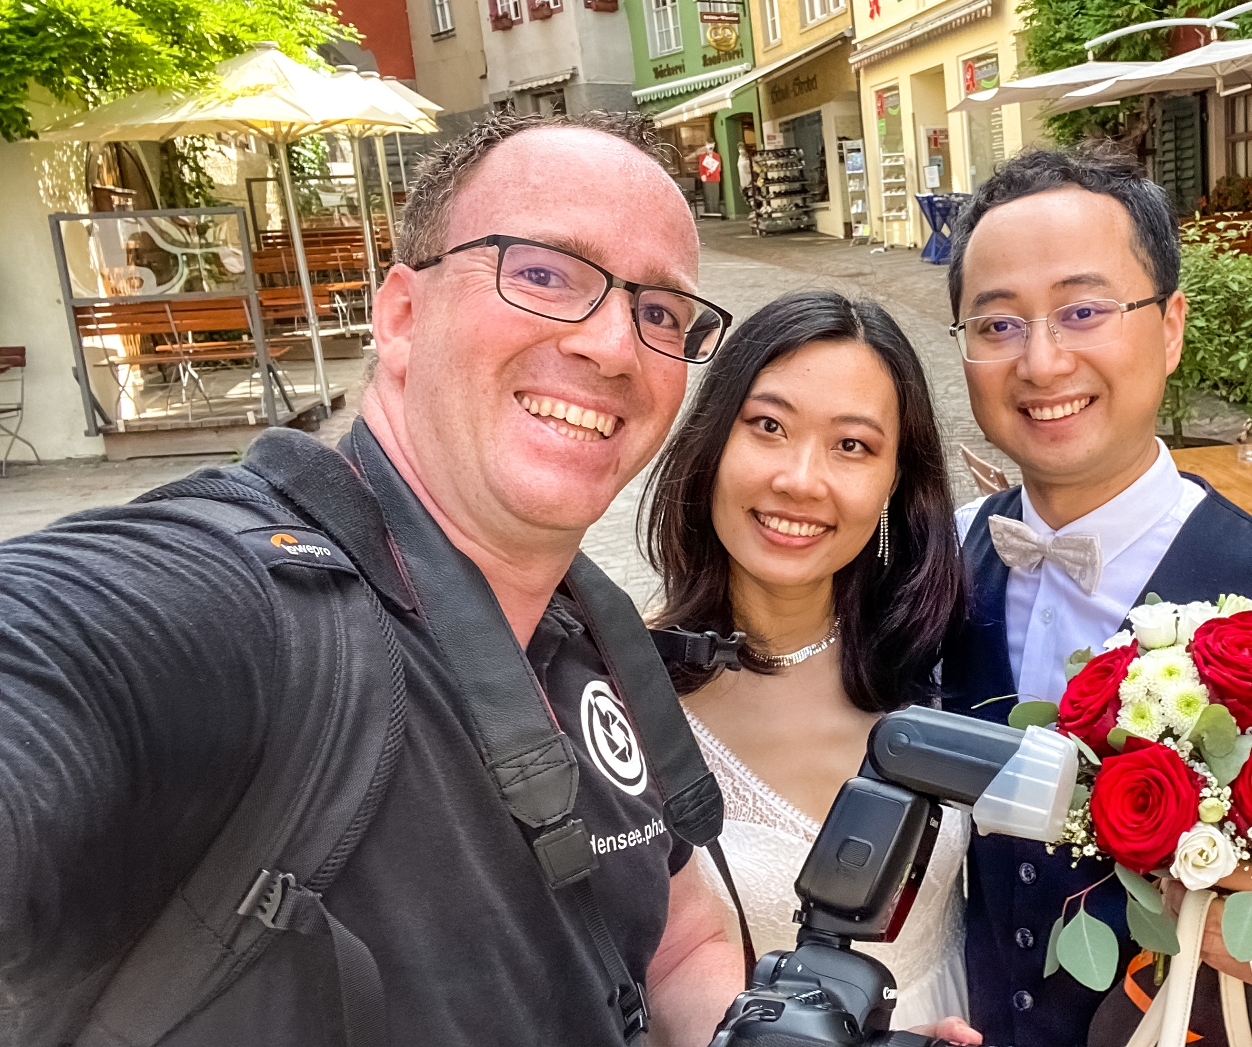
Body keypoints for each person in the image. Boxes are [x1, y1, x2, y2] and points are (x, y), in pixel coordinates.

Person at [0, 111, 745, 1045]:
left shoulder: (588, 632)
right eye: (544, 273)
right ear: (400, 316)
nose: (615, 345)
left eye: (661, 311)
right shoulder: (244, 608)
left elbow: (675, 946)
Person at [939, 145, 1252, 1047]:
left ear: (1172, 326)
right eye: (996, 325)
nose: (1040, 361)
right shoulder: (946, 552)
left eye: (1083, 311)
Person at [643, 291, 977, 1041]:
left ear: (896, 479)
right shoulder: (625, 692)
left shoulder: (943, 662)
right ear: (712, 442)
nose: (800, 479)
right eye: (767, 426)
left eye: (852, 445)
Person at [699, 142, 725, 218]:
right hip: (707, 179)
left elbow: (718, 168)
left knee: (715, 196)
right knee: (708, 196)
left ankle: (715, 212)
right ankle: (709, 212)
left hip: (715, 178)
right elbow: (701, 167)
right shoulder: (703, 156)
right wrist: (703, 175)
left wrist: (712, 171)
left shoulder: (717, 156)